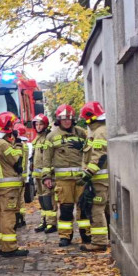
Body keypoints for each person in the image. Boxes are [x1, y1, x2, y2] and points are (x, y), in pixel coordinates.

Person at [40, 105, 89, 247]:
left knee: (84, 208)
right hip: (63, 181)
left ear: (73, 119)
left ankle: (86, 234)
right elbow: (46, 160)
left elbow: (90, 152)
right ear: (58, 120)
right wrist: (47, 177)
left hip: (81, 180)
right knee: (66, 209)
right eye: (63, 119)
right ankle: (65, 236)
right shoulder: (51, 136)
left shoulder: (81, 134)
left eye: (69, 119)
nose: (67, 122)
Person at [0, 112, 29, 257]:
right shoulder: (2, 144)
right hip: (9, 187)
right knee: (9, 216)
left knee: (3, 214)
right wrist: (17, 142)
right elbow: (17, 162)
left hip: (3, 187)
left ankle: (4, 246)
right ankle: (9, 248)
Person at [78, 101, 110, 252]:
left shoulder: (100, 132)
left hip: (99, 181)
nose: (85, 122)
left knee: (96, 210)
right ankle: (105, 239)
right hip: (98, 180)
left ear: (91, 118)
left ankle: (99, 242)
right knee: (103, 209)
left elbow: (99, 157)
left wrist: (86, 175)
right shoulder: (97, 131)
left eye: (86, 119)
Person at [30, 114, 57, 234]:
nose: (38, 126)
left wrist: (49, 175)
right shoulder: (37, 138)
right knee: (41, 199)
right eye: (36, 124)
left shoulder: (48, 138)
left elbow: (48, 158)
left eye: (40, 124)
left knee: (48, 199)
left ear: (45, 125)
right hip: (37, 175)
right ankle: (44, 221)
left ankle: (52, 223)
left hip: (47, 175)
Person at [13, 121, 30, 229]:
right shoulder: (26, 145)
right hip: (23, 176)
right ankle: (22, 218)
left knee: (16, 199)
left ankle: (17, 218)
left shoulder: (18, 146)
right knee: (21, 199)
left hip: (17, 175)